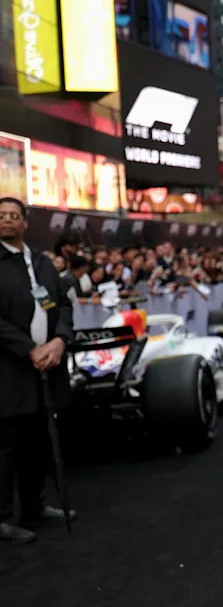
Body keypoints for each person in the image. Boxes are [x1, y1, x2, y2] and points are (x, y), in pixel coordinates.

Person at [0, 197, 76, 543]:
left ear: (25, 222)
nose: (7, 220)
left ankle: (34, 506)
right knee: (6, 445)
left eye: (14, 215)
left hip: (47, 364)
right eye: (1, 216)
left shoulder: (41, 262)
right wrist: (29, 348)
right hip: (10, 368)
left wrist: (59, 341)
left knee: (36, 440)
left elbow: (62, 305)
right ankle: (2, 517)